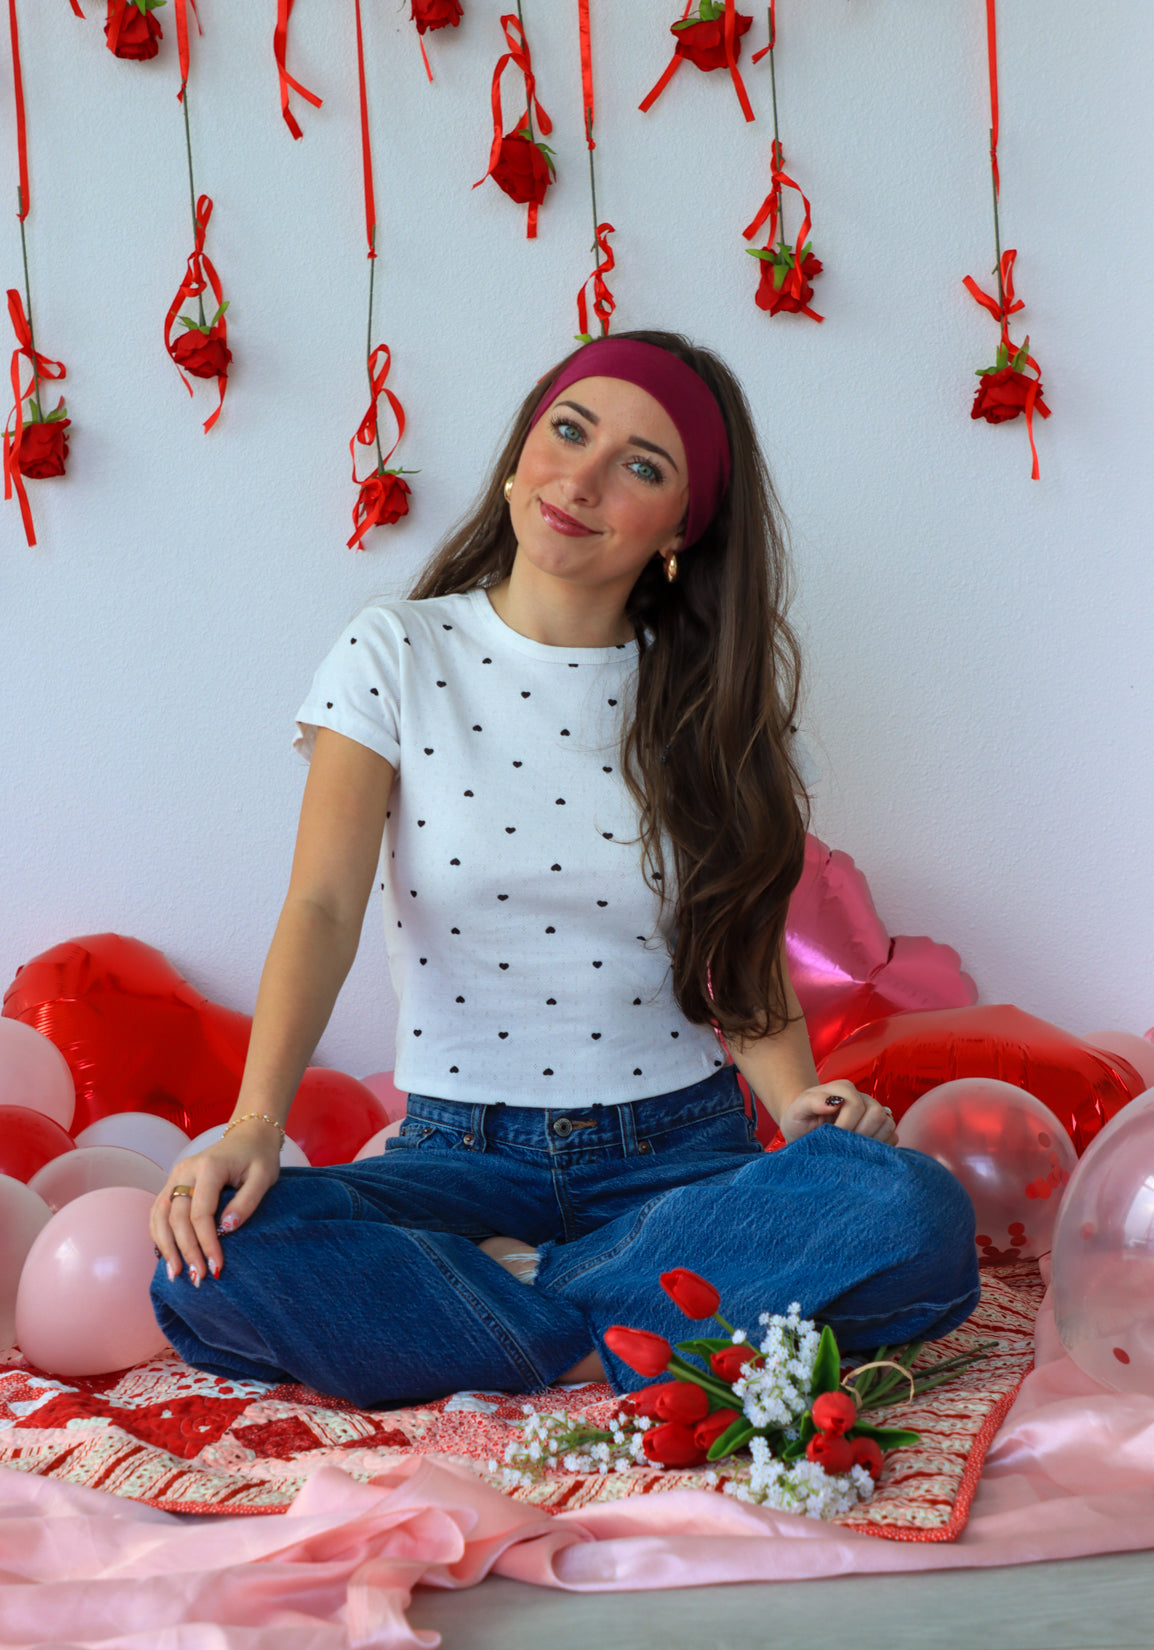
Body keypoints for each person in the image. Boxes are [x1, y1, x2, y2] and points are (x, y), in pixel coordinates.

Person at [149, 331, 979, 1410]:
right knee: (206, 1258)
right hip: (456, 1156)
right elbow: (320, 905)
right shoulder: (393, 653)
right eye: (567, 432)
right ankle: (635, 1327)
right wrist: (252, 1127)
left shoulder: (717, 710)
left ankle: (523, 1306)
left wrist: (800, 1114)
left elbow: (744, 966)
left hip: (681, 1157)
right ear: (518, 452)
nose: (579, 481)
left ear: (681, 528)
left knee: (908, 1211)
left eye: (640, 466)